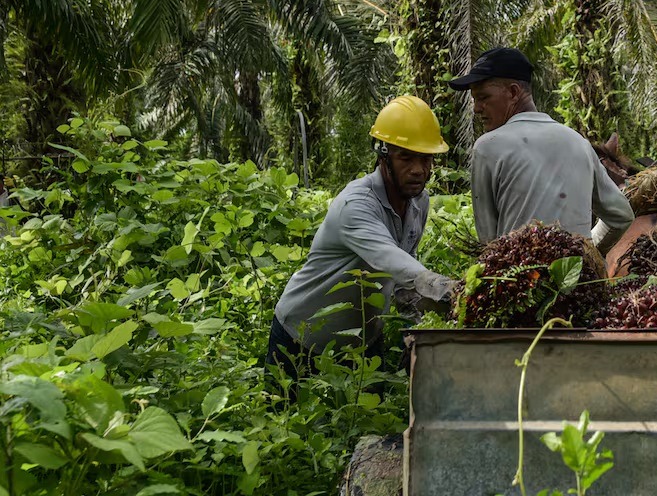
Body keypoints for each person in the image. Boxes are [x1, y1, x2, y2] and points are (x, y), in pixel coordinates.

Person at [267, 96, 457, 387]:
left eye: (426, 158)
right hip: (302, 340)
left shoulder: (419, 201)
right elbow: (392, 260)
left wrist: (423, 327)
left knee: (371, 430)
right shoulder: (355, 204)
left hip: (364, 342)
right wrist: (452, 291)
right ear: (384, 155)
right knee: (285, 425)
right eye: (406, 157)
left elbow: (404, 279)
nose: (419, 169)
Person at [448, 47, 634, 247]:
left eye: (483, 98)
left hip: (519, 276)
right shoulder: (578, 142)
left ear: (513, 92)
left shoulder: (487, 147)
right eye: (475, 100)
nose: (476, 109)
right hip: (582, 276)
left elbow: (488, 243)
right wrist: (589, 253)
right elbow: (622, 216)